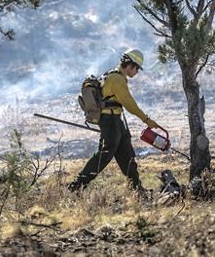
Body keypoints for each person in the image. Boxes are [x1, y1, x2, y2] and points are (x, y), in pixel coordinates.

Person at [68, 48, 160, 193]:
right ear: (130, 66)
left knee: (127, 155)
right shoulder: (117, 79)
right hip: (110, 121)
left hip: (116, 120)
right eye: (137, 69)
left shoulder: (114, 76)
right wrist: (146, 119)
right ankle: (76, 186)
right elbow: (129, 103)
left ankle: (137, 190)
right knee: (104, 155)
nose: (136, 72)